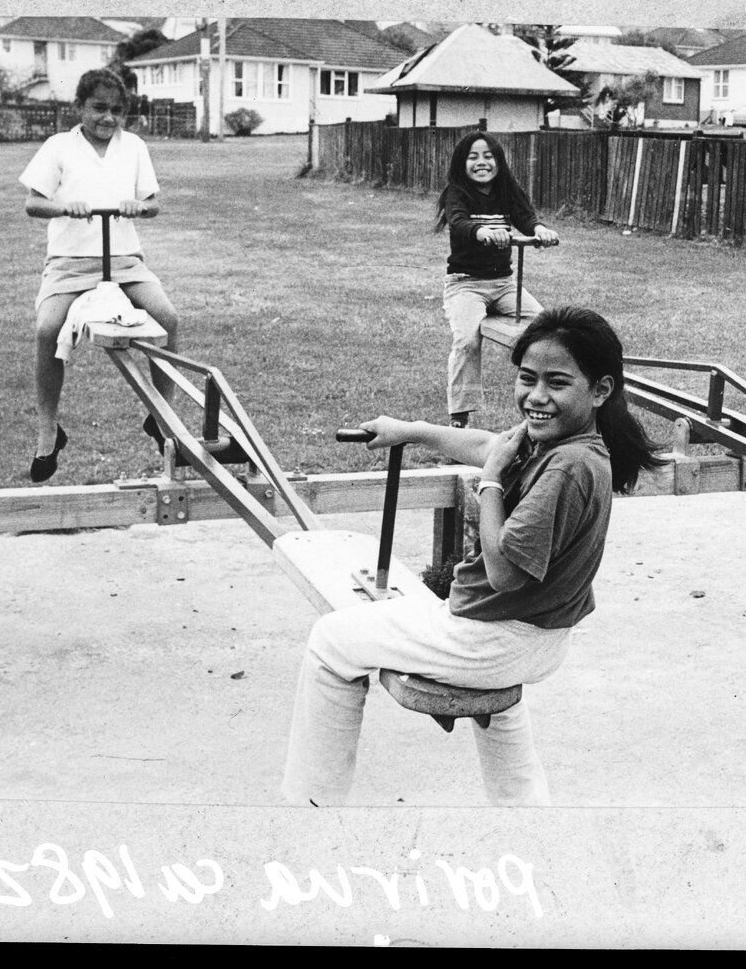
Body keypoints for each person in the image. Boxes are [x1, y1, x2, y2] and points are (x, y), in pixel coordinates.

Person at [282, 307, 663, 807]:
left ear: (599, 390)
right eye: (527, 379)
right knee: (497, 698)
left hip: (493, 634)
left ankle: (310, 805)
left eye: (557, 382)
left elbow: (503, 571)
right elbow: (490, 444)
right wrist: (411, 429)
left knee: (331, 641)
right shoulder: (568, 441)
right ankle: (524, 813)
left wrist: (489, 484)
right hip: (536, 634)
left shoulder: (566, 468)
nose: (537, 396)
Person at [18, 69, 180, 482]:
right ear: (79, 108)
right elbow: (33, 204)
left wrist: (138, 207)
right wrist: (64, 206)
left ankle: (161, 417)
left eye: (117, 111)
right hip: (71, 261)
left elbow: (154, 203)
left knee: (168, 319)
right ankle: (48, 429)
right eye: (99, 108)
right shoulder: (59, 147)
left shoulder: (135, 147)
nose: (108, 118)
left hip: (124, 257)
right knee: (47, 328)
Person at [435, 132, 559, 428]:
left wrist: (539, 229)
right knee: (467, 339)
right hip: (465, 284)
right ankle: (460, 417)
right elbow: (459, 221)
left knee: (547, 328)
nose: (482, 163)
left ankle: (545, 397)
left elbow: (524, 215)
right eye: (473, 157)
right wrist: (483, 232)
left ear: (498, 161)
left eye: (488, 156)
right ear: (462, 163)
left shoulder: (506, 188)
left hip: (503, 284)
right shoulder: (457, 192)